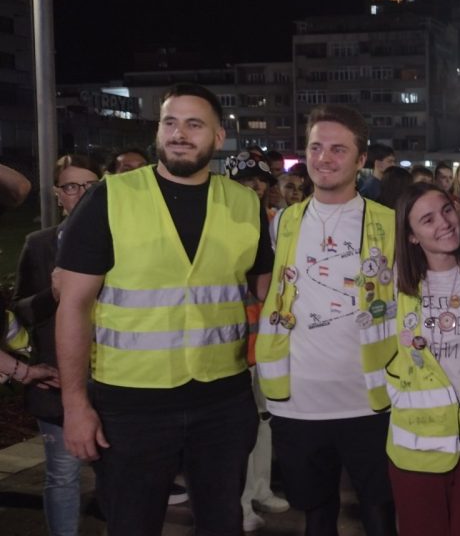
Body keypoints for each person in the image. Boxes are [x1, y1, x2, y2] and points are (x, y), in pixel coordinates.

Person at [54, 83, 272, 536]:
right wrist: (75, 405)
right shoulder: (109, 198)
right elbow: (72, 307)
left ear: (218, 136)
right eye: (170, 123)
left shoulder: (246, 203)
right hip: (132, 406)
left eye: (194, 124)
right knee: (132, 525)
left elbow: (269, 294)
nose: (179, 133)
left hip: (223, 402)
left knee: (223, 523)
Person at [255, 104, 398, 536]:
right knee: (316, 517)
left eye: (339, 149)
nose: (324, 158)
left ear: (360, 160)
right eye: (316, 147)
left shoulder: (388, 223)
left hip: (369, 399)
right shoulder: (283, 221)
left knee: (379, 513)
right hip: (299, 400)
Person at [386, 182, 460, 536]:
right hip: (416, 449)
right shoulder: (393, 285)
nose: (444, 222)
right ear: (411, 236)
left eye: (447, 210)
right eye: (427, 220)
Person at [13, 154, 101, 536]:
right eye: (71, 186)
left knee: (122, 478)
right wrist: (54, 294)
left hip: (118, 381)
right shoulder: (39, 244)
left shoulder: (126, 243)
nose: (81, 194)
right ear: (58, 194)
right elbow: (21, 312)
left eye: (90, 186)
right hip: (58, 381)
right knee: (63, 476)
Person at [222, 153, 291, 531]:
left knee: (265, 419)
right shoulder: (222, 223)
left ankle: (261, 488)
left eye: (261, 182)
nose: (255, 188)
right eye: (246, 181)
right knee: (241, 426)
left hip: (267, 338)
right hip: (234, 339)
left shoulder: (273, 222)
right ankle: (241, 501)